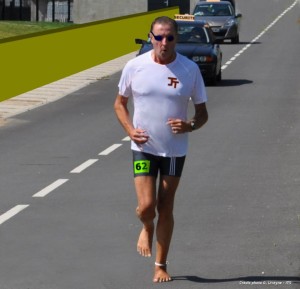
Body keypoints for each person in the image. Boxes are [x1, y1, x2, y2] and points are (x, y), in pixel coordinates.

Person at [114, 16, 208, 283]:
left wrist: (189, 125)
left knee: (165, 207)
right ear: (150, 37)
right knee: (147, 206)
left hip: (174, 151)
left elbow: (203, 114)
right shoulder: (135, 66)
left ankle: (160, 265)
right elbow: (119, 104)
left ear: (176, 38)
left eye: (169, 37)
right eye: (158, 37)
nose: (163, 42)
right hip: (143, 147)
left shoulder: (189, 70)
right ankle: (146, 225)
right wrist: (131, 131)